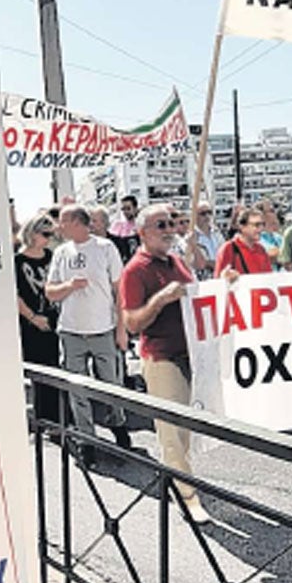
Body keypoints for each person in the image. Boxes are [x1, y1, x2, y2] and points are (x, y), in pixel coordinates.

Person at [120, 204, 210, 524]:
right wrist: (160, 299)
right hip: (161, 357)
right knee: (171, 433)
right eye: (161, 224)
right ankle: (188, 496)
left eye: (172, 222)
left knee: (184, 432)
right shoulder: (135, 270)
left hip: (190, 355)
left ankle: (179, 481)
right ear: (142, 232)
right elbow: (131, 322)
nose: (169, 228)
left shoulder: (176, 262)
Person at [45, 205, 131, 467]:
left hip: (102, 329)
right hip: (71, 331)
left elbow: (120, 291)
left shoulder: (105, 248)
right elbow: (50, 291)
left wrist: (121, 328)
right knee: (77, 388)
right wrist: (69, 286)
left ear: (76, 222)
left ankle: (118, 425)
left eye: (62, 221)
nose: (58, 227)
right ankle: (86, 440)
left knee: (110, 384)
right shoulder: (61, 252)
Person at [15, 213, 62, 427]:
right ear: (32, 234)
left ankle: (59, 417)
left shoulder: (51, 256)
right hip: (30, 323)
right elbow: (14, 295)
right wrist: (33, 318)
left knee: (57, 369)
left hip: (54, 319)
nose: (49, 239)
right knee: (40, 374)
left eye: (51, 234)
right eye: (45, 234)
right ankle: (45, 419)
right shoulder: (17, 261)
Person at [214, 207, 274, 278]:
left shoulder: (260, 249)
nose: (261, 229)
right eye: (256, 225)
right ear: (242, 227)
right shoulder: (228, 248)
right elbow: (218, 280)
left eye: (262, 224)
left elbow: (268, 277)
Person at [192, 200, 223, 280]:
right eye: (203, 213)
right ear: (194, 216)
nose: (207, 216)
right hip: (203, 278)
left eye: (209, 212)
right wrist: (210, 263)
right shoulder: (192, 236)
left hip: (220, 275)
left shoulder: (217, 233)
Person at [257, 200, 283, 270]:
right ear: (261, 215)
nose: (275, 213)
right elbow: (270, 255)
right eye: (271, 210)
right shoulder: (256, 237)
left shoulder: (277, 237)